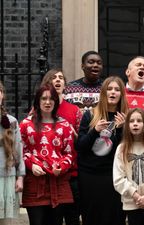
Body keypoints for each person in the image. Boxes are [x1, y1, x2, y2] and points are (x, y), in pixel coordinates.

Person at [20, 85, 75, 225]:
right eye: (43, 98)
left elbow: (69, 153)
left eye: (51, 99)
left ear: (56, 101)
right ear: (37, 101)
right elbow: (21, 151)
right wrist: (31, 165)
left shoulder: (65, 125)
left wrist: (61, 167)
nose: (47, 102)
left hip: (58, 182)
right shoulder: (26, 124)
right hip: (34, 183)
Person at [76, 76, 128, 225]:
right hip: (90, 175)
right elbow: (80, 146)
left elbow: (125, 150)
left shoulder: (126, 117)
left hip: (114, 175)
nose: (113, 92)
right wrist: (94, 131)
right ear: (103, 93)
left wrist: (121, 130)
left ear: (121, 94)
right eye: (109, 89)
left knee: (115, 216)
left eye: (117, 90)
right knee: (92, 216)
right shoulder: (90, 115)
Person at [41, 69, 82, 225]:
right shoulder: (38, 110)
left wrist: (74, 135)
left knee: (73, 217)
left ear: (65, 84)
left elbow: (82, 142)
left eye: (60, 78)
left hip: (71, 173)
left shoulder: (74, 110)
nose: (57, 80)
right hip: (48, 174)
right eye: (53, 78)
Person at [0, 81, 25, 225]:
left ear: (2, 95)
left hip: (6, 178)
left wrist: (20, 177)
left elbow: (18, 151)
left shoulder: (12, 122)